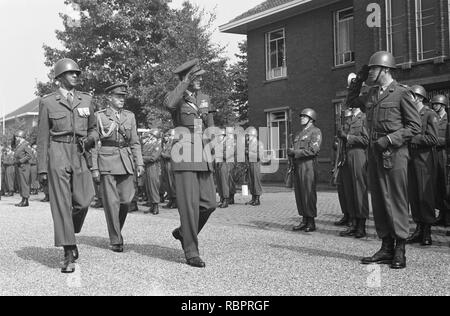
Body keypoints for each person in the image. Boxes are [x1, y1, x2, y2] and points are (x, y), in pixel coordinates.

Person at [348, 51, 421, 270]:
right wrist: (358, 80)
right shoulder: (370, 94)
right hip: (375, 155)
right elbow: (351, 101)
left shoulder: (400, 94)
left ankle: (400, 248)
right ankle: (386, 245)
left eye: (373, 69)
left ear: (385, 70)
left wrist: (389, 139)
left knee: (396, 200)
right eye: (369, 69)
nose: (370, 72)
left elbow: (414, 127)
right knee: (379, 201)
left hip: (395, 155)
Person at [37, 58, 98, 273]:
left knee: (83, 200)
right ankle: (68, 250)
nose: (76, 76)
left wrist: (91, 138)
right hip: (57, 152)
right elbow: (42, 138)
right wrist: (42, 169)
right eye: (72, 73)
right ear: (60, 78)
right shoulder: (48, 102)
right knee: (62, 203)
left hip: (79, 152)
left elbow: (94, 129)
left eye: (77, 74)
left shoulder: (87, 100)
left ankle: (70, 232)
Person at [164, 58, 217, 268]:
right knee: (189, 207)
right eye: (196, 76)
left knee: (209, 203)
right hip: (185, 154)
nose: (200, 80)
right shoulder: (176, 98)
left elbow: (211, 127)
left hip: (203, 155)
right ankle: (191, 252)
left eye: (201, 76)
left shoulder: (204, 99)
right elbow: (169, 104)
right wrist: (184, 83)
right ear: (187, 78)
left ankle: (183, 232)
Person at [91, 83, 144, 253]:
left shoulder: (130, 116)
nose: (121, 100)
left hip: (126, 160)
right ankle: (116, 239)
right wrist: (94, 167)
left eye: (123, 97)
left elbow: (135, 142)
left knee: (126, 200)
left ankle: (116, 230)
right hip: (106, 161)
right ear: (110, 98)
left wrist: (139, 162)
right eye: (118, 97)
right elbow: (93, 144)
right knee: (111, 203)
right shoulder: (100, 116)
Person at [406, 86, 439, 246]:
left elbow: (433, 139)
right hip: (411, 159)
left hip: (424, 160)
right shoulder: (410, 115)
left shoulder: (429, 114)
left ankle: (427, 231)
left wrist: (414, 138)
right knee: (414, 195)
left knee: (425, 196)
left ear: (418, 98)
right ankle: (418, 228)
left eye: (411, 96)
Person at [338, 107, 370, 238]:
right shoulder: (348, 119)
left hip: (358, 155)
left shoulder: (364, 118)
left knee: (359, 189)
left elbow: (366, 140)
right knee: (349, 190)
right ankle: (353, 223)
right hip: (347, 156)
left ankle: (361, 226)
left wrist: (348, 137)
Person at [289, 109, 322, 233]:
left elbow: (314, 150)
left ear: (311, 118)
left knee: (308, 193)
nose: (301, 118)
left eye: (304, 116)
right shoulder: (299, 134)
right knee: (300, 193)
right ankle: (304, 220)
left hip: (308, 166)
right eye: (301, 116)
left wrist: (295, 153)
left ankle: (311, 221)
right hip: (298, 166)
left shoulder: (316, 131)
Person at [431, 95, 450, 228]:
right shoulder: (434, 118)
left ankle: (447, 216)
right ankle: (441, 215)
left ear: (442, 105)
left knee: (445, 185)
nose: (434, 106)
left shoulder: (448, 119)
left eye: (436, 104)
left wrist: (437, 141)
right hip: (434, 155)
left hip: (444, 154)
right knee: (437, 185)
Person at [335, 109, 353, 227]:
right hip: (341, 160)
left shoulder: (354, 123)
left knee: (350, 190)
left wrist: (345, 137)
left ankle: (352, 216)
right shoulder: (344, 125)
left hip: (350, 159)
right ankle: (346, 214)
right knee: (341, 190)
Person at [142, 129, 163, 215]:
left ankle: (156, 206)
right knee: (148, 186)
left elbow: (153, 158)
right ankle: (151, 205)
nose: (149, 136)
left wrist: (142, 158)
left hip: (153, 167)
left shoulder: (158, 145)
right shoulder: (148, 145)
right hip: (147, 166)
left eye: (151, 135)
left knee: (153, 185)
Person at [14, 130, 33, 207]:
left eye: (17, 136)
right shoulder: (19, 145)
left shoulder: (26, 144)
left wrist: (20, 161)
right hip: (20, 166)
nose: (16, 137)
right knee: (21, 183)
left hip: (24, 166)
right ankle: (23, 199)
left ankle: (25, 200)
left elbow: (29, 155)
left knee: (24, 183)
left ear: (21, 137)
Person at [245, 127, 263, 206]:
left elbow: (259, 156)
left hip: (256, 164)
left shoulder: (259, 144)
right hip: (250, 164)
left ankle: (257, 199)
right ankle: (253, 198)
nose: (248, 137)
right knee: (251, 181)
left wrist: (248, 152)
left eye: (249, 135)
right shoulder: (249, 145)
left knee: (256, 181)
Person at [161, 129, 177, 209]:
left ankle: (175, 200)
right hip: (166, 163)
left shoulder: (175, 144)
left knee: (172, 183)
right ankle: (170, 199)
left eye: (170, 135)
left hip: (171, 164)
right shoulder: (167, 144)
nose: (168, 137)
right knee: (167, 183)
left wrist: (163, 155)